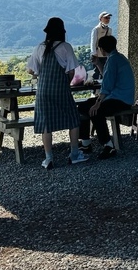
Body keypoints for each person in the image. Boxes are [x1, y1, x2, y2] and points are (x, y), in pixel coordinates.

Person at [26, 17, 87, 169]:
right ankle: (74, 154)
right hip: (61, 89)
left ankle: (49, 158)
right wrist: (66, 82)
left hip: (43, 91)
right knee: (73, 118)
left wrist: (38, 73)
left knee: (46, 123)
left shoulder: (40, 47)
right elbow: (72, 71)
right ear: (62, 31)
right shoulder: (65, 47)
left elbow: (30, 69)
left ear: (47, 31)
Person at [78, 34, 135, 160]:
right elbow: (109, 77)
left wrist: (98, 102)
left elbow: (107, 85)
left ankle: (107, 145)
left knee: (95, 110)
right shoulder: (117, 57)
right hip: (123, 98)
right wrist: (98, 63)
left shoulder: (113, 60)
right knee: (85, 105)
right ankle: (86, 143)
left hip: (120, 99)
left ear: (102, 49)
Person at [89, 11, 112, 79]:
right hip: (97, 55)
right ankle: (96, 88)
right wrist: (94, 53)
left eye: (108, 18)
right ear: (100, 19)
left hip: (105, 55)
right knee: (96, 72)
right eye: (106, 18)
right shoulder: (96, 29)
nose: (108, 19)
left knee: (104, 72)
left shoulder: (109, 29)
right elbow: (93, 42)